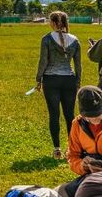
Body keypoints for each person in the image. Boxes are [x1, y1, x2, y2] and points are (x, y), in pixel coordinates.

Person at [36, 11, 81, 160]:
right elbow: (78, 65)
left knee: (54, 115)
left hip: (51, 80)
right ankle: (72, 149)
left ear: (53, 23)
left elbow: (43, 61)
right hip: (69, 80)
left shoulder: (47, 39)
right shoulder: (75, 40)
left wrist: (38, 79)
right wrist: (77, 82)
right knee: (70, 116)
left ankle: (57, 150)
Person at [62, 86, 102, 197]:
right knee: (62, 192)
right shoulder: (77, 124)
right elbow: (72, 155)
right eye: (89, 117)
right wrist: (83, 166)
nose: (94, 122)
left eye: (97, 116)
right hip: (90, 175)